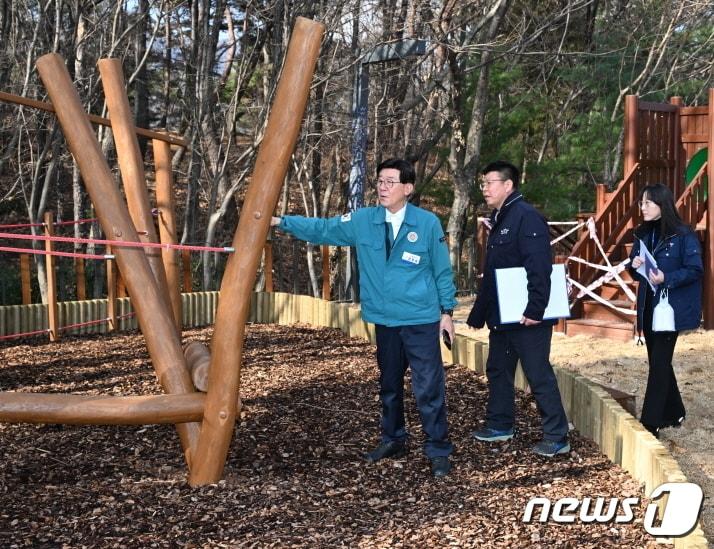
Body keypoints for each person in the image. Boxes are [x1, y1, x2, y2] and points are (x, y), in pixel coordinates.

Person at [271, 158, 457, 477]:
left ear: (408, 189)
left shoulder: (427, 224)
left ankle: (438, 448)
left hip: (420, 320)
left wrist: (447, 313)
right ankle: (393, 437)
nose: (382, 187)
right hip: (385, 321)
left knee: (428, 387)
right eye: (380, 181)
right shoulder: (363, 220)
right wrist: (281, 222)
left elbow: (442, 271)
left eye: (390, 182)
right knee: (389, 385)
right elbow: (324, 229)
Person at [466, 160, 570, 457]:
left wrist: (536, 309)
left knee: (538, 374)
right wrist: (479, 313)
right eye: (483, 183)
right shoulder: (501, 216)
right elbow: (495, 269)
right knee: (498, 369)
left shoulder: (526, 217)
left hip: (527, 316)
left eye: (489, 182)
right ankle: (500, 424)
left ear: (508, 185)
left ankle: (556, 435)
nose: (484, 188)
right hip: (503, 314)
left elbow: (540, 266)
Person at [629, 183, 702, 439]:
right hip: (648, 306)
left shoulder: (683, 235)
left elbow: (695, 270)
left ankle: (650, 423)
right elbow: (633, 268)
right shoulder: (641, 233)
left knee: (659, 363)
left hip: (669, 310)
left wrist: (666, 277)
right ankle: (675, 411)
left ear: (663, 204)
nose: (643, 207)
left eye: (648, 203)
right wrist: (634, 264)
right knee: (659, 361)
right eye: (642, 203)